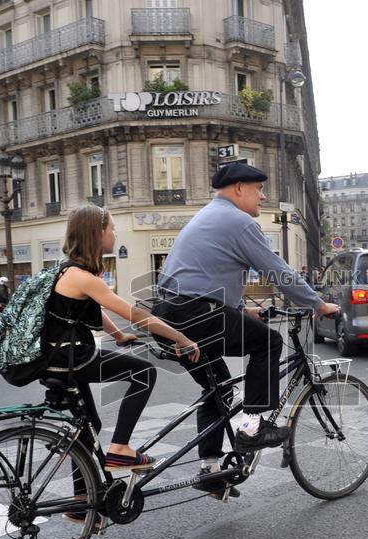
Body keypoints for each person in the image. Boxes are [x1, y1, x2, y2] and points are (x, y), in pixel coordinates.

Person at [152, 163, 339, 498]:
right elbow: (277, 270)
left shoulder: (208, 216)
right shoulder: (238, 222)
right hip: (196, 313)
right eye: (258, 189)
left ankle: (210, 470)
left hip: (169, 314)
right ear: (238, 188)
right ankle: (253, 425)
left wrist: (241, 310)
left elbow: (205, 275)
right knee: (269, 341)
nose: (263, 196)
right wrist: (317, 304)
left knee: (218, 388)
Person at [46, 205, 200, 487]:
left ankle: (81, 502)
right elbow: (136, 315)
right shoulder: (83, 277)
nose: (115, 234)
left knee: (87, 429)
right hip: (68, 357)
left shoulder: (66, 270)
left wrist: (118, 335)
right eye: (112, 229)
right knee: (144, 373)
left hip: (53, 357)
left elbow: (94, 309)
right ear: (97, 233)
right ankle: (120, 449)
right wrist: (181, 338)